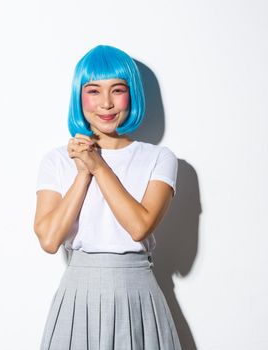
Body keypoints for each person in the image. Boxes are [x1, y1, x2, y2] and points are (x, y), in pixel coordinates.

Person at [34, 45, 182, 349]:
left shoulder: (158, 158)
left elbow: (139, 227)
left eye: (117, 90)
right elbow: (49, 240)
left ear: (132, 95)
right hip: (78, 295)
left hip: (137, 293)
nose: (106, 103)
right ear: (79, 96)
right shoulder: (57, 160)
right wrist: (82, 173)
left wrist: (97, 165)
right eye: (93, 91)